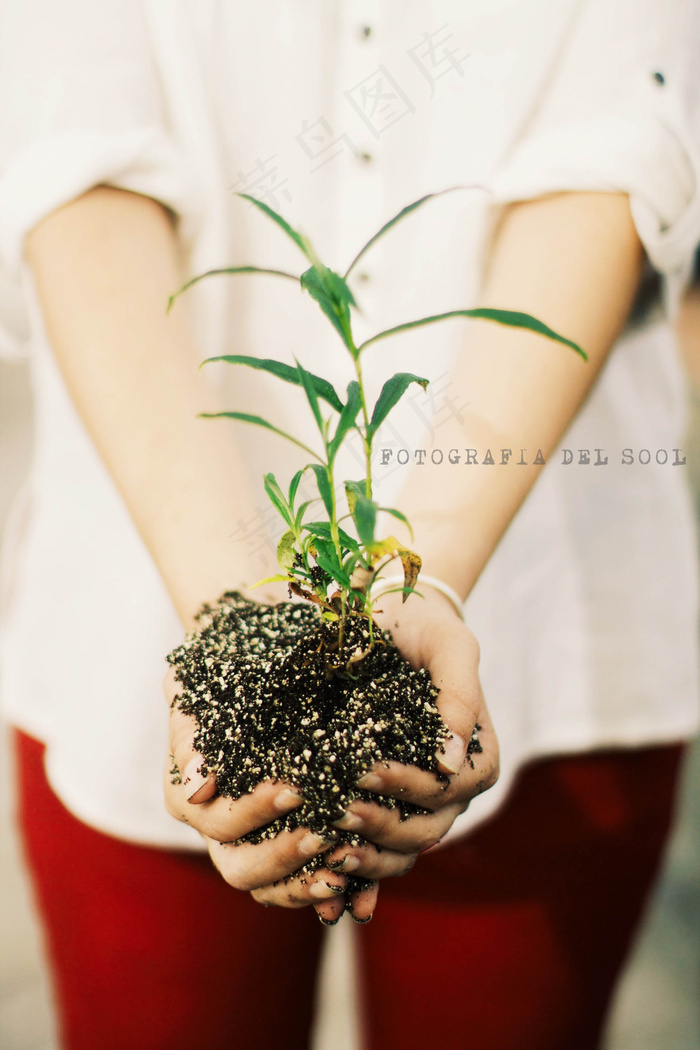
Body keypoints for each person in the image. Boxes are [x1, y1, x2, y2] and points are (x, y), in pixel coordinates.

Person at [1, 1, 699, 1048]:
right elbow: (74, 164)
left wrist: (429, 577)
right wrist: (234, 615)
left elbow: (612, 151)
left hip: (554, 613)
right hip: (136, 595)